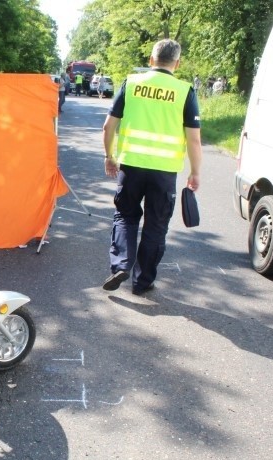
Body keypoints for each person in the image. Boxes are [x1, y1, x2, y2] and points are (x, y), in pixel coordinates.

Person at [100, 38, 202, 295]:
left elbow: (108, 126)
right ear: (177, 64)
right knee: (156, 226)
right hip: (164, 172)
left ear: (150, 60)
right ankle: (143, 282)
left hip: (131, 167)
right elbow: (194, 138)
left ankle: (121, 265)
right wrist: (195, 171)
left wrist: (109, 156)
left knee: (125, 216)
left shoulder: (131, 84)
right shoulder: (184, 91)